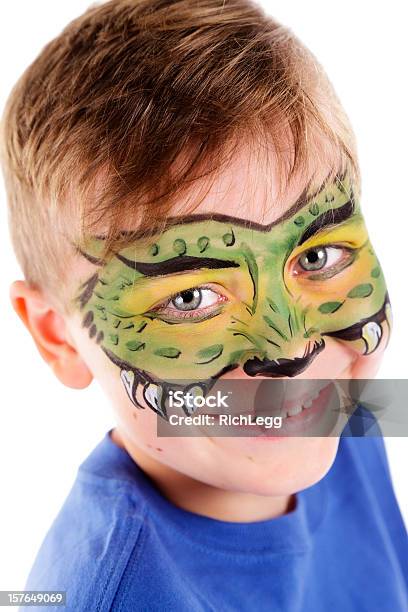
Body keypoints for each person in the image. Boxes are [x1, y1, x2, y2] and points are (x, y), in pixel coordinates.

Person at [1, 1, 407, 610]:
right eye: (190, 298)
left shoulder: (334, 415)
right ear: (57, 336)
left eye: (317, 259)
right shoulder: (111, 597)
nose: (292, 349)